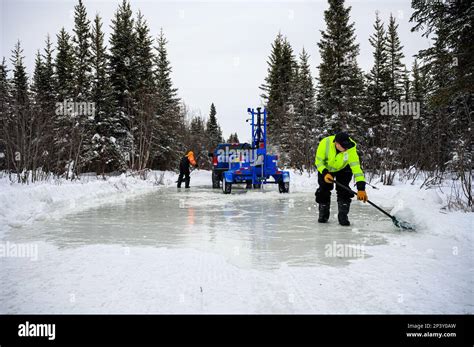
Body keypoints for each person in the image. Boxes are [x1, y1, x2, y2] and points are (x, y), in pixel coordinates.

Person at [314, 132, 368, 226]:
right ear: (337, 144)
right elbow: (318, 162)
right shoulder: (325, 143)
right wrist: (325, 173)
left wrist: (361, 188)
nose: (346, 149)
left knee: (344, 190)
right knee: (323, 190)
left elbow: (356, 168)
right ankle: (323, 214)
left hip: (343, 168)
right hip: (326, 169)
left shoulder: (350, 148)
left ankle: (343, 216)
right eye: (344, 147)